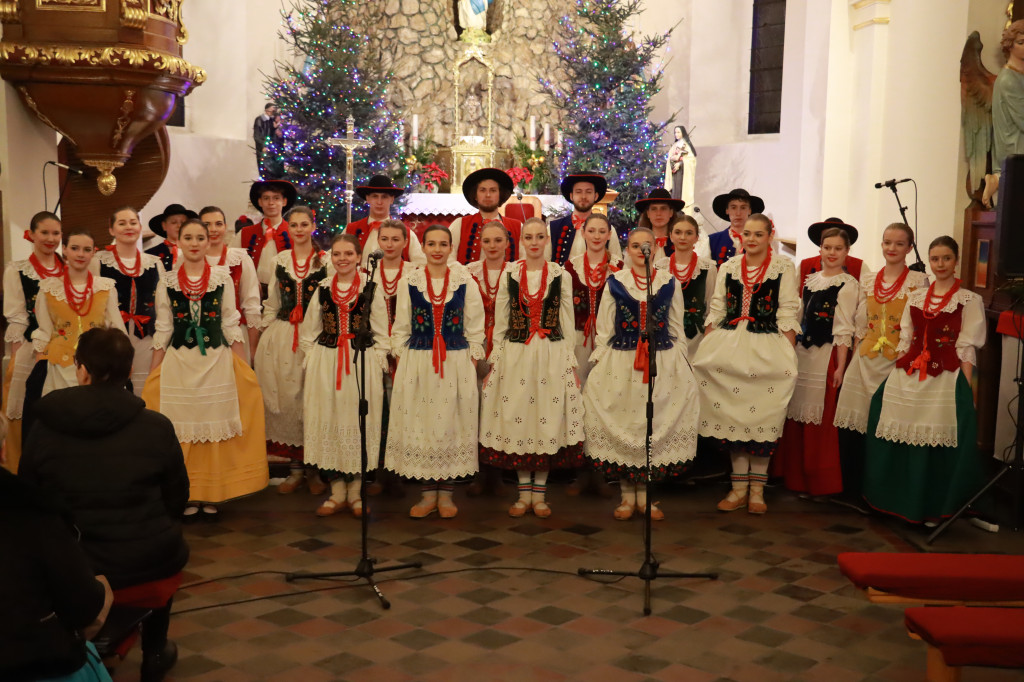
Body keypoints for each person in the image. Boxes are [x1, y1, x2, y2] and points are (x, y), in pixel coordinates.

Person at [20, 327, 188, 682]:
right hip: (148, 564)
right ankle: (155, 651)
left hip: (77, 567)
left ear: (81, 369)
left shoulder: (45, 426)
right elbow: (178, 499)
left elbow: (29, 501)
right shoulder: (156, 426)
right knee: (165, 544)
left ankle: (83, 648)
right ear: (129, 371)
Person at [143, 219, 269, 521]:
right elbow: (163, 327)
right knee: (181, 429)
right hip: (180, 365)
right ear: (179, 242)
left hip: (215, 361)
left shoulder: (222, 278)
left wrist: (244, 366)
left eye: (200, 237)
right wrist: (153, 373)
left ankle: (212, 492)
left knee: (214, 429)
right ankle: (187, 492)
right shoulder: (168, 281)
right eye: (189, 237)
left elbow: (229, 321)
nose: (195, 242)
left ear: (209, 241)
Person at [863, 236, 987, 524]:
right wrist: (898, 369)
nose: (940, 264)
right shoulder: (917, 297)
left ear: (956, 261)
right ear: (929, 262)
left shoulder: (969, 299)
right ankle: (891, 500)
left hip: (945, 376)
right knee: (884, 417)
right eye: (935, 259)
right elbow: (906, 338)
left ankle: (932, 506)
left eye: (946, 258)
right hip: (909, 373)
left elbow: (966, 349)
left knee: (936, 442)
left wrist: (967, 390)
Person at [583, 227, 699, 521]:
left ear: (656, 248)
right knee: (627, 422)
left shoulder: (668, 282)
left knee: (652, 422)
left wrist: (682, 360)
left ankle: (646, 497)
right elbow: (605, 327)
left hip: (661, 360)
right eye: (635, 245)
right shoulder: (616, 282)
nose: (640, 251)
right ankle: (626, 495)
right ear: (627, 249)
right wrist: (600, 359)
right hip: (623, 360)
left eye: (646, 245)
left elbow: (676, 325)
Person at [693, 214, 800, 515]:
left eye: (758, 234)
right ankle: (738, 488)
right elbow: (717, 309)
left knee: (762, 419)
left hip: (767, 347)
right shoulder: (728, 267)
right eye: (747, 234)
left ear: (769, 236)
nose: (751, 239)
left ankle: (757, 490)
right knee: (735, 418)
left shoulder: (783, 268)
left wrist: (788, 352)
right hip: (731, 347)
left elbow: (788, 310)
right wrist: (707, 348)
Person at [480, 217, 584, 517]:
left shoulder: (559, 274)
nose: (535, 242)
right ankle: (523, 493)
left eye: (540, 237)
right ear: (521, 241)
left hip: (551, 353)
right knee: (520, 417)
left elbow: (566, 321)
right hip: (516, 353)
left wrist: (570, 362)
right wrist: (495, 359)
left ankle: (540, 495)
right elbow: (501, 322)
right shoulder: (510, 273)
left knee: (546, 417)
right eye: (529, 237)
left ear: (546, 241)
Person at [2, 415, 114, 682]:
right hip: (32, 665)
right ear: (4, 450)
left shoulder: (43, 428)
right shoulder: (35, 514)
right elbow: (84, 607)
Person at [385, 224, 485, 518]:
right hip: (419, 360)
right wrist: (402, 357)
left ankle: (447, 494)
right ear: (423, 248)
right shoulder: (410, 281)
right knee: (424, 424)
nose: (437, 250)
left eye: (443, 244)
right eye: (432, 244)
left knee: (451, 425)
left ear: (450, 248)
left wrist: (472, 357)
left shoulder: (464, 280)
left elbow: (475, 324)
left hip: (455, 360)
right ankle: (428, 494)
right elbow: (401, 325)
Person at [833, 223, 928, 507]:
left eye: (899, 244)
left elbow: (919, 326)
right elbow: (858, 323)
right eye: (887, 242)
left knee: (885, 428)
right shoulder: (868, 281)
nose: (892, 248)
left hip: (896, 363)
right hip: (864, 360)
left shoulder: (918, 281)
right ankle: (852, 489)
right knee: (853, 427)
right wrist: (846, 363)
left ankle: (880, 492)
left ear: (910, 248)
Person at [300, 234, 389, 517]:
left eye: (348, 254)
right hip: (327, 361)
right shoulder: (323, 288)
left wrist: (376, 361)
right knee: (330, 418)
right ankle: (337, 490)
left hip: (360, 360)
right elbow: (309, 331)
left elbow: (382, 330)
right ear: (330, 257)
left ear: (359, 257)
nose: (342, 259)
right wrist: (314, 358)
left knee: (358, 420)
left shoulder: (371, 288)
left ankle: (356, 491)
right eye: (337, 254)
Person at [773, 224, 859, 498]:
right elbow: (799, 317)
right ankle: (794, 477)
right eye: (827, 247)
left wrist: (840, 367)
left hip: (827, 355)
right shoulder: (810, 279)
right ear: (819, 249)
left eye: (838, 249)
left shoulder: (848, 285)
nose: (832, 253)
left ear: (847, 252)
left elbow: (844, 329)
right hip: (803, 353)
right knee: (796, 412)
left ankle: (819, 480)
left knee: (819, 418)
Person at [254, 206, 329, 492]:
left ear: (313, 227)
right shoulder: (280, 260)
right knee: (287, 400)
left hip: (316, 337)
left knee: (311, 400)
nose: (298, 229)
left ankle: (314, 469)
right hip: (283, 336)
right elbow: (272, 301)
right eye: (293, 225)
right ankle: (296, 470)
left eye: (303, 224)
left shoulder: (325, 261)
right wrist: (264, 335)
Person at [3, 210, 63, 473]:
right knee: (26, 405)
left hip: (65, 348)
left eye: (56, 233)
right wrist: (17, 358)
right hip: (30, 347)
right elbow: (16, 316)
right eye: (45, 233)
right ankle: (21, 467)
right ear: (32, 234)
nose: (51, 239)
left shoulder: (69, 267)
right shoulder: (17, 270)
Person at [32, 231, 127, 397]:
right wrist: (38, 368)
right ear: (64, 250)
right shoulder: (48, 288)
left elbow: (116, 327)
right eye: (75, 248)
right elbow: (44, 331)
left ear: (93, 252)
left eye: (86, 249)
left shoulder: (105, 287)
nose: (80, 254)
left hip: (100, 366)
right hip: (60, 366)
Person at [93, 207, 164, 396]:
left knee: (145, 392)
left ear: (140, 227)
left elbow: (162, 304)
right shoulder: (98, 261)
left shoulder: (154, 262)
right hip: (111, 338)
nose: (128, 227)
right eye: (122, 223)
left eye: (133, 223)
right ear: (111, 229)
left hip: (147, 339)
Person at [466, 220, 512, 498]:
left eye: (498, 240)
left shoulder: (517, 272)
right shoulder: (468, 273)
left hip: (508, 344)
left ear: (507, 243)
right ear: (479, 244)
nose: (492, 246)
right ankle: (479, 471)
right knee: (476, 406)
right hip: (476, 342)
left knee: (502, 405)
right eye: (487, 241)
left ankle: (500, 468)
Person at [199, 206, 262, 363]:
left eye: (218, 224)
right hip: (200, 335)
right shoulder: (190, 260)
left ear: (225, 227)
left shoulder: (240, 259)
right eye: (207, 225)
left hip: (235, 336)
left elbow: (251, 305)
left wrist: (253, 348)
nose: (213, 229)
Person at [653, 214, 716, 360]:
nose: (683, 237)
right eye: (678, 232)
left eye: (689, 233)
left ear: (696, 237)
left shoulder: (707, 268)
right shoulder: (660, 267)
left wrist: (708, 337)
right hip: (665, 337)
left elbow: (711, 304)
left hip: (696, 339)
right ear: (671, 236)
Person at [983, 20, 1024, 207]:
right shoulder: (1008, 79)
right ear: (1010, 45)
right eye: (1021, 43)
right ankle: (998, 179)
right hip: (1015, 143)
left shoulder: (1020, 75)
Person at [345, 174, 426, 266]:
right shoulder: (350, 230)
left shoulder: (406, 233)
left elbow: (421, 265)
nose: (379, 202)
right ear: (367, 198)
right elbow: (335, 260)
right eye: (375, 196)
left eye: (384, 197)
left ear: (392, 199)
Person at [547, 172, 623, 266]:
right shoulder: (553, 228)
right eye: (578, 192)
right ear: (571, 196)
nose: (583, 196)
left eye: (588, 192)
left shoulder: (608, 230)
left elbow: (618, 266)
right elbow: (544, 265)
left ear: (595, 196)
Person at [448, 168, 522, 264]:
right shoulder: (460, 224)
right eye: (482, 190)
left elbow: (524, 263)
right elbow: (448, 259)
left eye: (493, 190)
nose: (488, 195)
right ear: (475, 195)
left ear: (500, 195)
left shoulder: (517, 227)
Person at [233, 179, 297, 286]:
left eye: (276, 198)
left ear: (284, 202)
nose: (271, 203)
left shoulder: (295, 234)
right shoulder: (244, 234)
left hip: (285, 296)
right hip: (252, 294)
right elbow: (232, 265)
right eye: (266, 198)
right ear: (260, 202)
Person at [798, 217, 865, 285]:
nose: (832, 252)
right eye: (827, 235)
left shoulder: (859, 266)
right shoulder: (805, 265)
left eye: (838, 248)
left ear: (847, 249)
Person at [707, 188, 765, 266]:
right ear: (727, 210)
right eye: (733, 207)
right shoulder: (711, 241)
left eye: (743, 207)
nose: (738, 213)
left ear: (749, 211)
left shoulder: (761, 240)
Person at [144, 204, 196, 272]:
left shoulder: (197, 249)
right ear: (164, 225)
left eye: (183, 222)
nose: (179, 226)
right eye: (174, 222)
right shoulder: (150, 255)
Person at [636, 188, 685, 260]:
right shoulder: (638, 243)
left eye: (663, 208)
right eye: (654, 209)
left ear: (671, 213)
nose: (658, 214)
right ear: (648, 213)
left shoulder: (680, 242)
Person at [664, 125, 695, 205]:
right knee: (674, 191)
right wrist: (673, 160)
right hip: (674, 170)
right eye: (675, 132)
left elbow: (691, 160)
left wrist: (680, 163)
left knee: (680, 191)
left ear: (682, 133)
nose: (676, 134)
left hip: (682, 172)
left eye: (678, 132)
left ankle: (679, 206)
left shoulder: (686, 145)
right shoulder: (675, 145)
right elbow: (670, 157)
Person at [253, 102, 280, 177]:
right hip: (263, 148)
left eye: (274, 111)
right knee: (264, 167)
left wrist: (275, 128)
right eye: (271, 111)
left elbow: (273, 134)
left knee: (273, 168)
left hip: (271, 147)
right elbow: (257, 135)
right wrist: (263, 146)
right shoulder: (259, 120)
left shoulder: (273, 120)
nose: (272, 113)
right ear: (266, 110)